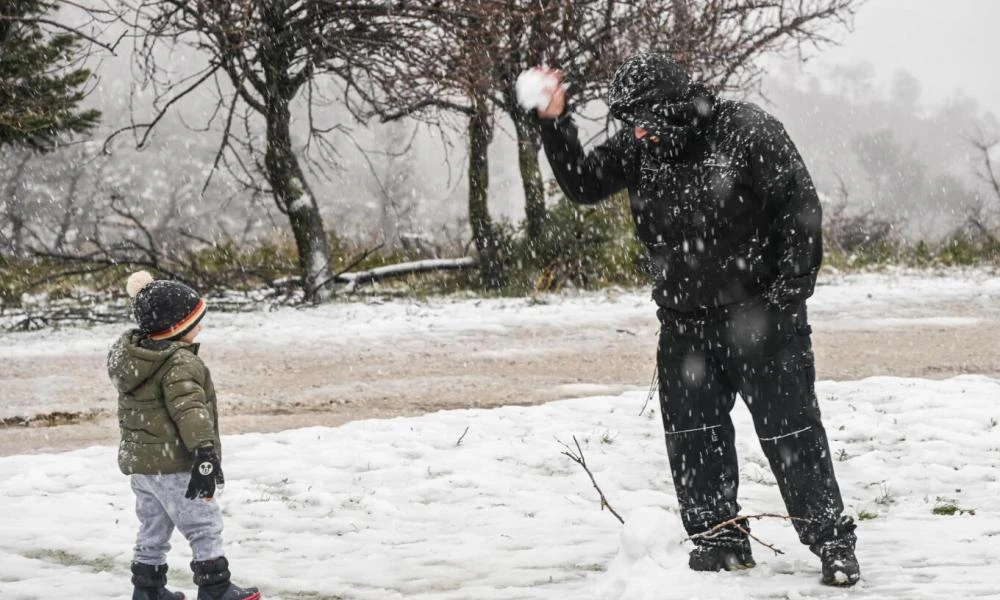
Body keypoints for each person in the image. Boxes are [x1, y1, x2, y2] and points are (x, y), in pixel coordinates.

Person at [533, 54, 860, 586]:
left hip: (762, 317)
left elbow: (798, 205)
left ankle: (832, 544)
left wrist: (788, 295)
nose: (635, 130)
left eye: (642, 118)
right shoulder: (642, 148)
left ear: (672, 107)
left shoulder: (745, 131)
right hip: (684, 324)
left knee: (791, 433)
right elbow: (584, 184)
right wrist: (553, 121)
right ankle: (719, 543)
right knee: (693, 437)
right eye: (629, 121)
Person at [108, 270, 261, 600]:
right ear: (176, 327)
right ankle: (216, 588)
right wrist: (204, 452)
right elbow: (190, 410)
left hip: (144, 467)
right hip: (176, 464)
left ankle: (147, 590)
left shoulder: (136, 360)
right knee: (203, 524)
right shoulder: (178, 362)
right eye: (196, 322)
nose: (201, 327)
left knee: (153, 528)